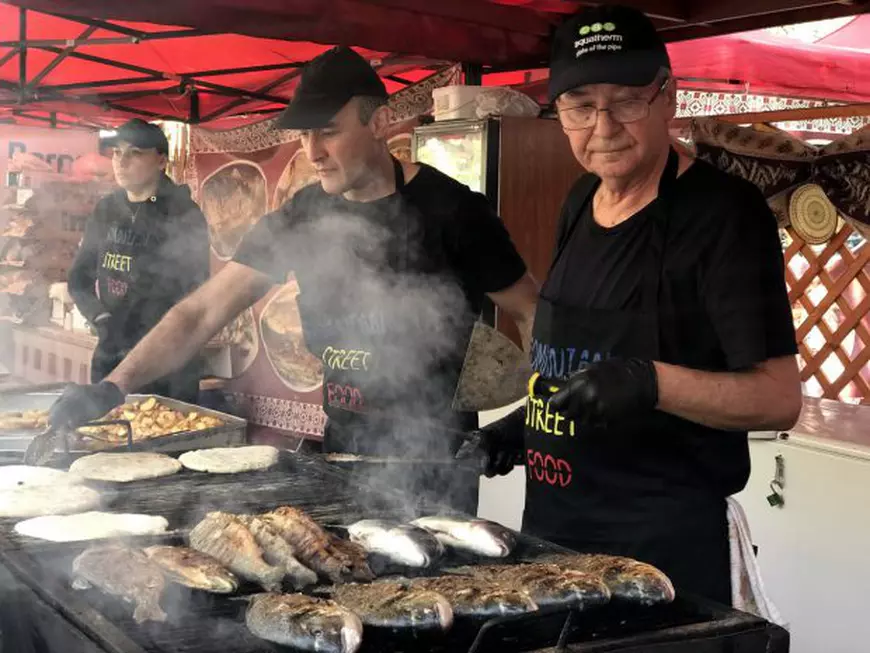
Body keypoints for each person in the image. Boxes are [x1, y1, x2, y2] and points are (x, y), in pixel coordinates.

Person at [51, 47, 538, 513]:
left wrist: (530, 418)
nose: (313, 152)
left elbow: (530, 311)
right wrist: (112, 388)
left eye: (327, 132)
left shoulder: (454, 212)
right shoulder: (303, 215)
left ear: (379, 122)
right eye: (304, 136)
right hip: (342, 453)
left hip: (439, 463)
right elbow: (201, 312)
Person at [475, 5, 801, 604]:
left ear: (668, 97)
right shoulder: (580, 199)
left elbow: (779, 397)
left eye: (627, 99)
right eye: (580, 105)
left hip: (658, 562)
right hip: (553, 543)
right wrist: (527, 426)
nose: (603, 126)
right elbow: (580, 365)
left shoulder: (723, 216)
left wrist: (650, 382)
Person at [68, 119, 209, 403]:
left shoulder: (183, 214)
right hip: (111, 353)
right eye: (117, 153)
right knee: (107, 436)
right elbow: (79, 278)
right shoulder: (106, 209)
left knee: (165, 437)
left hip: (168, 362)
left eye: (134, 153)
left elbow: (197, 292)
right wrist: (100, 317)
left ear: (160, 160)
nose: (121, 162)